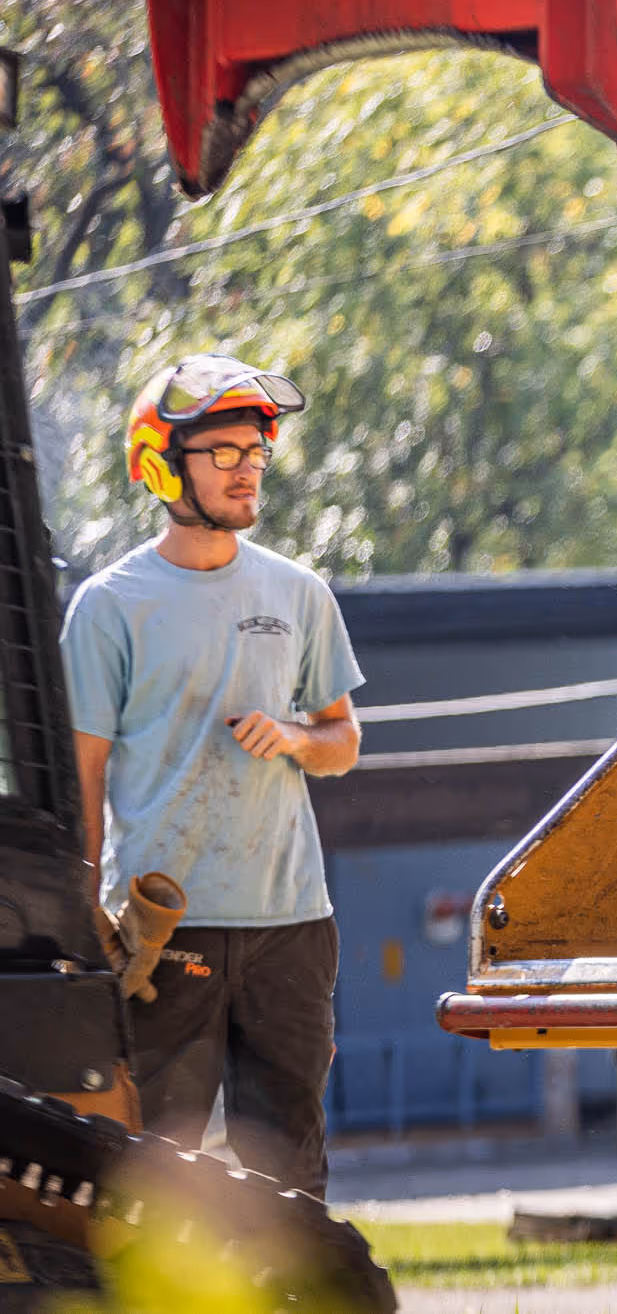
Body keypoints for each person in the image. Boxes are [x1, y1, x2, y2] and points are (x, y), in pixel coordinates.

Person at [60, 354, 363, 1199]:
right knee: (153, 1174)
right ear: (163, 462)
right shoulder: (109, 605)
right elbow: (82, 769)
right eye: (225, 451)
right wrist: (86, 909)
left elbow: (343, 739)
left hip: (291, 925)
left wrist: (298, 737)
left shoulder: (299, 592)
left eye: (256, 452)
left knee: (291, 1177)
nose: (248, 469)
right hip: (163, 933)